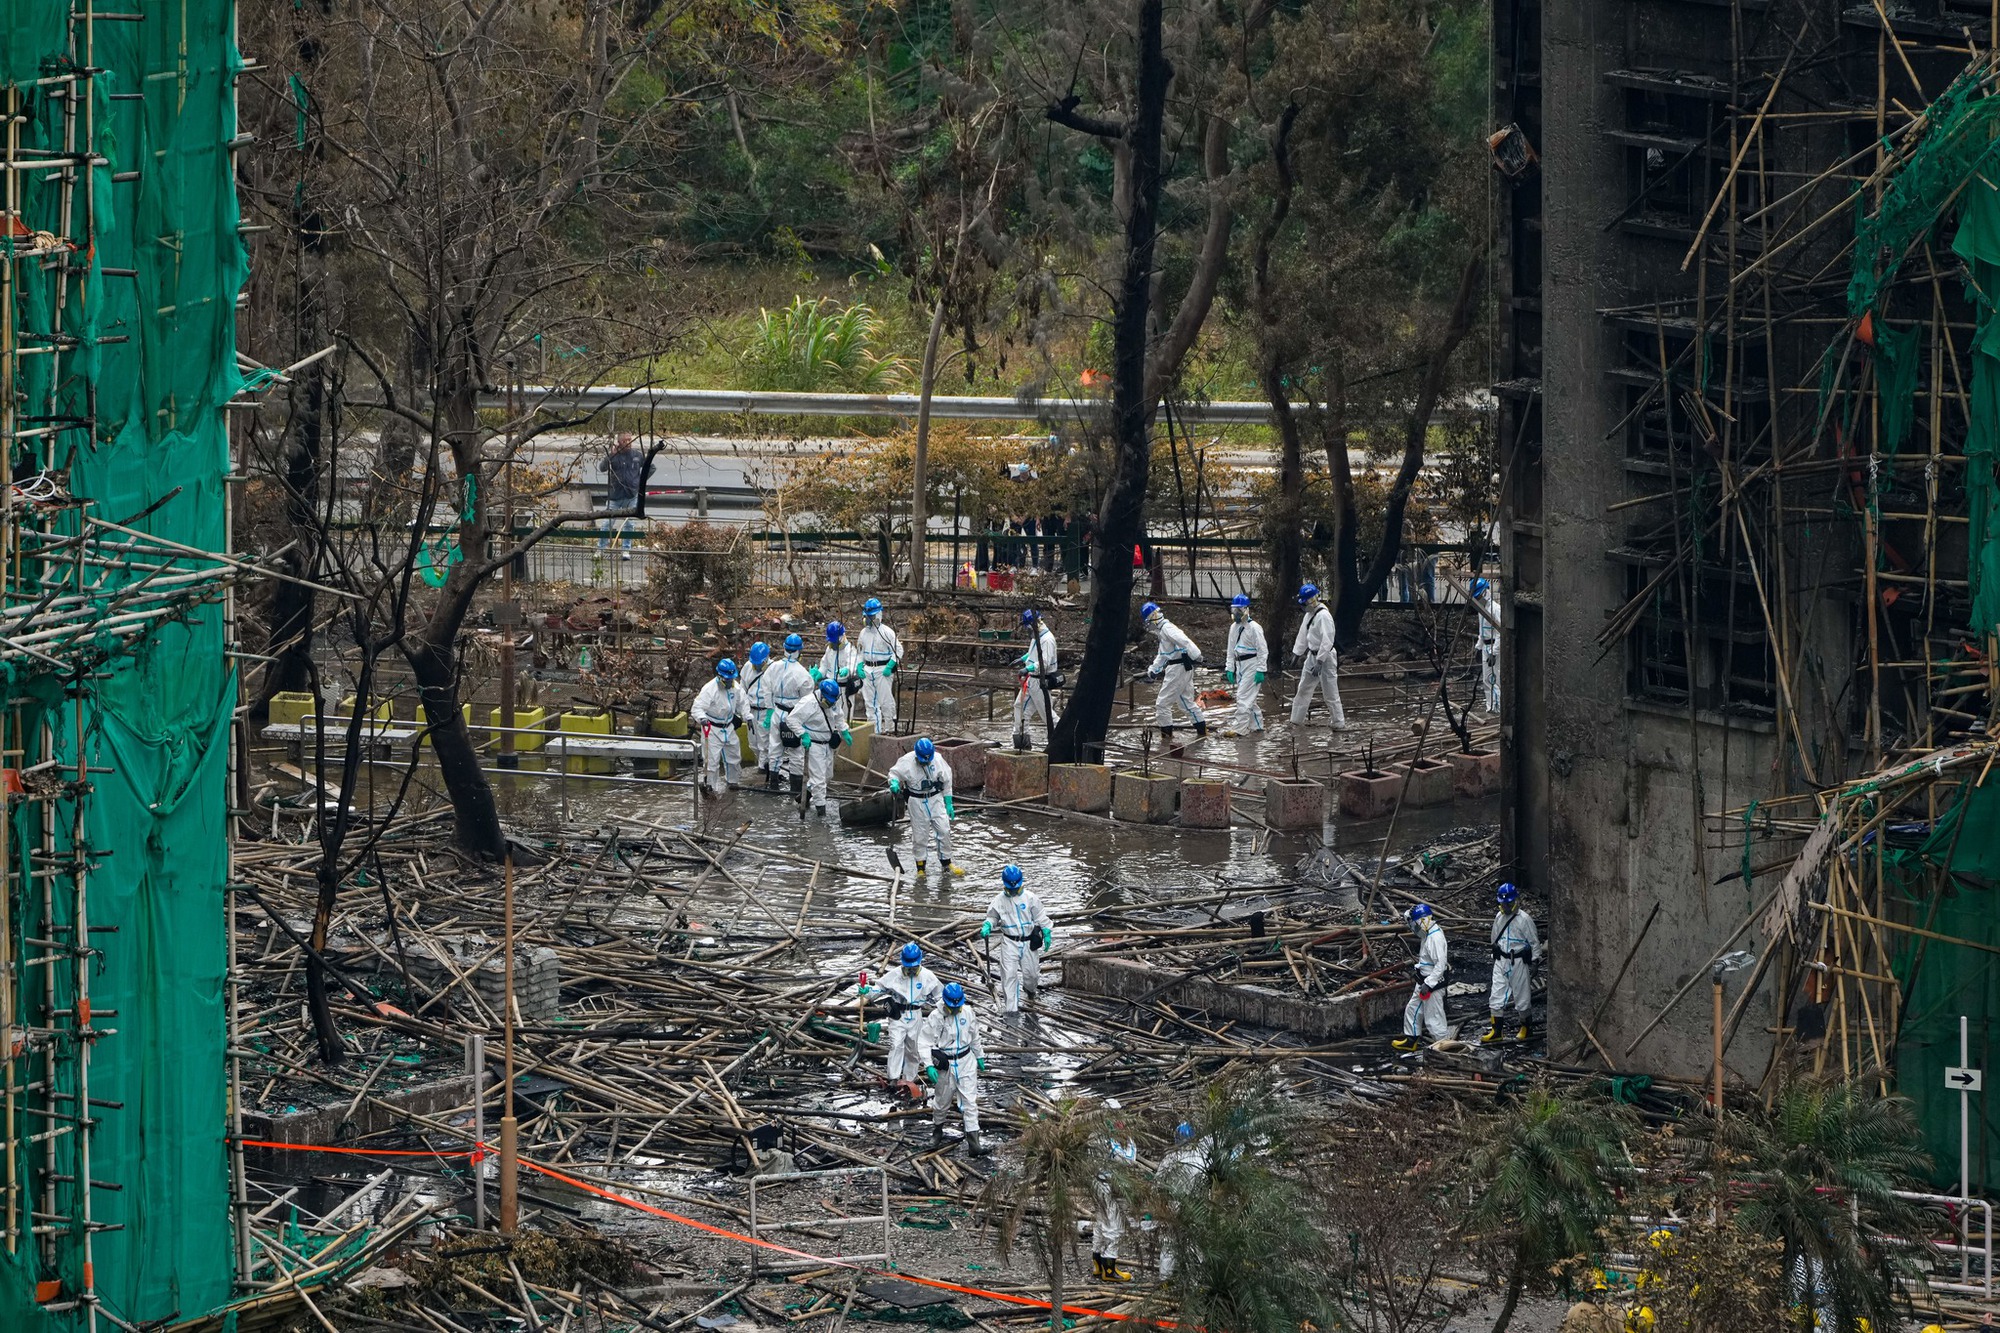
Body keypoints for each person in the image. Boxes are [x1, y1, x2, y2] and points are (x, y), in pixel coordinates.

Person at [921, 982, 988, 1154]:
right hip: (946, 1064)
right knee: (942, 1101)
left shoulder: (968, 1012)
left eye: (958, 1007)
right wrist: (929, 1065)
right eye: (953, 1007)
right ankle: (937, 1130)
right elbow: (924, 1042)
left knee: (970, 1102)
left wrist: (979, 1055)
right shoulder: (936, 1017)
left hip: (966, 1061)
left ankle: (974, 1142)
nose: (956, 1010)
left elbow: (974, 1036)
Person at [868, 942, 940, 1097]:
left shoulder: (928, 976)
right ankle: (893, 1078)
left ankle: (909, 1079)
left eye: (914, 967)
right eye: (908, 967)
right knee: (896, 1045)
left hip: (916, 1015)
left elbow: (940, 996)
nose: (911, 970)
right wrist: (866, 992)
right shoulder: (894, 975)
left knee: (913, 1049)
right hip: (898, 1014)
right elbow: (878, 988)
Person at [980, 864, 1054, 1013]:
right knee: (1008, 977)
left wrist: (1046, 931)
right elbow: (993, 917)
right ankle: (1011, 1010)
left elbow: (1040, 916)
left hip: (1028, 941)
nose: (1013, 890)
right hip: (1009, 942)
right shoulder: (998, 901)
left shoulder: (1030, 898)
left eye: (1016, 888)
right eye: (1010, 888)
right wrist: (988, 925)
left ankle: (1030, 991)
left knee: (1032, 974)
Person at [888, 737, 962, 877]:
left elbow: (947, 780)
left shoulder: (938, 759)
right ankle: (921, 867)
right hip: (917, 801)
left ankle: (946, 863)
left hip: (935, 798)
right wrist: (894, 783)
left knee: (944, 830)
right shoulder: (907, 761)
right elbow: (894, 773)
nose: (926, 761)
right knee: (920, 836)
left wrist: (948, 802)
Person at [784, 677, 851, 816]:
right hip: (814, 744)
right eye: (829, 701)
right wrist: (803, 734)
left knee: (827, 776)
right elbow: (791, 720)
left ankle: (806, 794)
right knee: (819, 781)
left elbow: (838, 716)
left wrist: (844, 730)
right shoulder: (808, 703)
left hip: (828, 744)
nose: (831, 704)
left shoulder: (834, 699)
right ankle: (821, 813)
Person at [1484, 882, 1541, 1043]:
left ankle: (1526, 1027)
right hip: (1501, 960)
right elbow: (1494, 937)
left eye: (1509, 903)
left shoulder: (1524, 919)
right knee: (1496, 995)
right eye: (1503, 904)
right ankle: (1496, 1031)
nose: (1506, 907)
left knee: (1522, 996)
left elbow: (1534, 941)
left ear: (1515, 901)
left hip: (1518, 962)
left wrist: (1535, 960)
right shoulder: (1499, 917)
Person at [1142, 602, 1207, 740]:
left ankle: (1166, 740)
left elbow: (1185, 641)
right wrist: (1154, 669)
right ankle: (1202, 734)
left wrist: (1197, 655)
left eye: (1148, 621)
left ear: (1153, 617)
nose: (1148, 625)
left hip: (1177, 669)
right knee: (1186, 703)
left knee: (1162, 704)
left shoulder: (1167, 629)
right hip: (1182, 668)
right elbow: (1163, 654)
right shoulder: (1163, 631)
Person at [1290, 583, 1349, 730]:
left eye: (1304, 603)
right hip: (1311, 656)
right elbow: (1303, 635)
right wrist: (1297, 653)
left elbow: (1327, 640)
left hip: (1326, 658)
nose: (1303, 606)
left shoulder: (1324, 616)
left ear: (1311, 601)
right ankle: (1296, 720)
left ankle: (1338, 722)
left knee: (1330, 691)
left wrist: (1320, 661)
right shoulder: (1308, 616)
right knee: (1303, 688)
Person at [1393, 903, 1450, 1051]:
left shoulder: (1435, 938)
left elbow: (1440, 965)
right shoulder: (1427, 933)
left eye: (1417, 923)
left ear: (1425, 920)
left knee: (1434, 1019)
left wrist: (1429, 983)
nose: (1415, 927)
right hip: (1423, 980)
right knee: (1413, 1009)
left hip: (1432, 984)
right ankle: (1411, 1040)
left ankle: (1444, 1047)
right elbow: (1409, 919)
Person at [763, 634, 815, 794]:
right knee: (796, 752)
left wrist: (769, 709)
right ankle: (795, 791)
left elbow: (766, 688)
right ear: (800, 651)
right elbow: (807, 699)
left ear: (784, 648)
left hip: (776, 712)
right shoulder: (803, 674)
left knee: (775, 748)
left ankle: (773, 786)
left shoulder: (773, 667)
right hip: (794, 714)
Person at [690, 659, 747, 794]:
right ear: (720, 677)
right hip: (712, 728)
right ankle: (710, 786)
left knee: (734, 756)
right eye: (727, 680)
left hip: (729, 726)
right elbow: (697, 708)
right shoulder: (709, 689)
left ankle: (732, 782)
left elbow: (743, 703)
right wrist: (702, 718)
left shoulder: (735, 687)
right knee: (711, 761)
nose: (729, 683)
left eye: (731, 680)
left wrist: (747, 716)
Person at [1093, 1127, 1139, 1282]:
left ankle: (1098, 1264)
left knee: (1100, 1224)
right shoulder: (1107, 1141)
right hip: (1106, 1186)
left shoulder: (1093, 1135)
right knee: (1113, 1226)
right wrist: (1130, 1139)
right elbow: (1128, 1159)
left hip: (1096, 1183)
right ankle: (1109, 1270)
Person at [1012, 608, 1061, 750]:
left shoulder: (1047, 640)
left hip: (1039, 681)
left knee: (1047, 715)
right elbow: (1033, 653)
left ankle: (1062, 736)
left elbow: (1043, 662)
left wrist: (1027, 669)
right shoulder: (1037, 637)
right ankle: (1022, 741)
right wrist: (1022, 659)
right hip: (1032, 680)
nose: (1027, 631)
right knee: (1020, 707)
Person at [1222, 594, 1267, 737]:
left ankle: (1240, 729)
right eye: (1234, 611)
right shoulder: (1233, 628)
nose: (1236, 614)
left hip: (1252, 665)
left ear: (1246, 609)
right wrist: (1230, 668)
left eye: (1239, 611)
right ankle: (1257, 727)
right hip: (1239, 664)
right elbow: (1230, 649)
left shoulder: (1255, 628)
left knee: (1242, 697)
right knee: (1249, 698)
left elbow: (1262, 650)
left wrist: (1261, 669)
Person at [856, 598, 903, 731]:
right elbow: (860, 651)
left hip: (882, 670)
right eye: (867, 616)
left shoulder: (887, 632)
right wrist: (859, 665)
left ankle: (890, 730)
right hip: (867, 670)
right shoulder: (863, 633)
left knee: (886, 702)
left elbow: (898, 650)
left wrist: (890, 665)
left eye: (871, 616)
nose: (869, 619)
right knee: (870, 704)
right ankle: (874, 732)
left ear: (878, 615)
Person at [598, 434, 644, 558]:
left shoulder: (637, 455)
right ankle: (600, 549)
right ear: (619, 442)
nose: (628, 442)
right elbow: (602, 468)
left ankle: (626, 550)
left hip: (631, 496)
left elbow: (650, 467)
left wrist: (640, 481)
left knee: (629, 524)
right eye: (625, 440)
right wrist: (611, 455)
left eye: (630, 440)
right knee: (607, 524)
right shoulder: (614, 455)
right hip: (615, 496)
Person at [742, 641, 774, 775]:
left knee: (765, 743)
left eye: (759, 663)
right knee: (753, 743)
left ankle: (763, 769)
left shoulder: (773, 669)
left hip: (765, 710)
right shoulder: (747, 667)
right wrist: (743, 710)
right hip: (751, 709)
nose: (757, 666)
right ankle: (761, 764)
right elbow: (742, 689)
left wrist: (772, 711)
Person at [1473, 576, 1501, 714]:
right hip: (1485, 647)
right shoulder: (1481, 610)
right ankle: (1490, 707)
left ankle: (1497, 708)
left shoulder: (1495, 609)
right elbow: (1481, 631)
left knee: (1493, 680)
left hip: (1493, 647)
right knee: (1486, 680)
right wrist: (1478, 647)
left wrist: (1494, 653)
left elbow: (1500, 633)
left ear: (1485, 592)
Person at [817, 621, 863, 703]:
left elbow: (852, 665)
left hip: (844, 688)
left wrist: (847, 670)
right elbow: (825, 664)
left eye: (835, 641)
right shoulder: (829, 649)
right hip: (829, 687)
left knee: (844, 714)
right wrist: (819, 673)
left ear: (842, 637)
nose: (833, 644)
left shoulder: (850, 650)